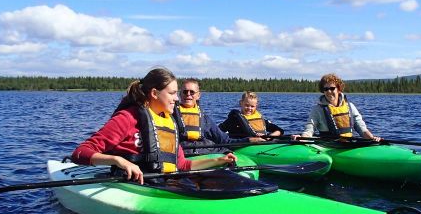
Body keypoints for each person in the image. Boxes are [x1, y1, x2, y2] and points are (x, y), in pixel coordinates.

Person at [71, 67, 236, 184]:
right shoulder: (127, 118)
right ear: (154, 93)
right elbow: (80, 153)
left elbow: (183, 165)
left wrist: (218, 160)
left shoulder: (169, 121)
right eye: (172, 93)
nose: (177, 98)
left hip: (166, 182)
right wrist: (118, 161)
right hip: (137, 186)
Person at [172, 79, 263, 154]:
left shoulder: (205, 119)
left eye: (192, 92)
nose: (188, 94)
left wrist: (248, 140)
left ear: (198, 95)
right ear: (180, 94)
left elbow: (225, 141)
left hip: (204, 153)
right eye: (185, 92)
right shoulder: (171, 115)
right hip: (183, 155)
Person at [299, 73, 380, 141]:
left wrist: (372, 139)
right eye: (326, 89)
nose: (329, 91)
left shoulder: (350, 106)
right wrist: (303, 138)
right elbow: (309, 129)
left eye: (332, 88)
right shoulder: (317, 109)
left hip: (347, 145)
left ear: (338, 89)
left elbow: (362, 129)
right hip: (326, 146)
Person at [219, 91, 284, 139]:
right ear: (241, 103)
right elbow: (218, 131)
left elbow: (279, 131)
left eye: (252, 106)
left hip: (262, 143)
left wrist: (268, 137)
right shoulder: (233, 119)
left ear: (256, 106)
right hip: (242, 145)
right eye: (247, 105)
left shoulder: (260, 119)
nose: (249, 108)